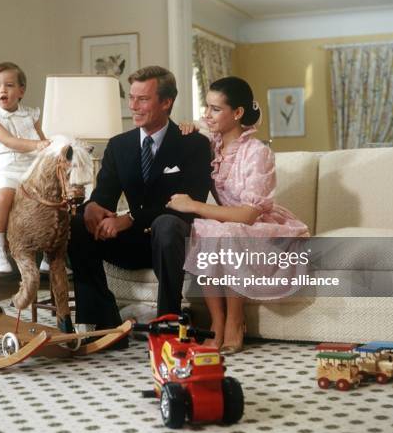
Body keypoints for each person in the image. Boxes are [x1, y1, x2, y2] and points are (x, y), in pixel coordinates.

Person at [67, 66, 212, 342]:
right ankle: (102, 323)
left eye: (142, 99)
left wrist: (130, 218)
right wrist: (94, 207)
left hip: (174, 242)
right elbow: (104, 197)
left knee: (168, 224)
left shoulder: (193, 144)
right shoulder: (119, 146)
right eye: (131, 98)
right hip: (133, 244)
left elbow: (190, 203)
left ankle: (167, 325)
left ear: (166, 102)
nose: (133, 106)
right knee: (77, 224)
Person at [167, 76, 309, 353]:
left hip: (257, 224)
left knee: (225, 230)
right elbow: (196, 131)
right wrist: (188, 126)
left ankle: (234, 319)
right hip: (225, 223)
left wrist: (194, 204)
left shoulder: (258, 153)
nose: (208, 115)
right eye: (206, 107)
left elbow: (247, 215)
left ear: (238, 113)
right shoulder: (211, 144)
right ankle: (216, 321)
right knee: (204, 229)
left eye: (216, 109)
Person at [0, 62, 50, 273]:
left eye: (9, 85)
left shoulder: (31, 114)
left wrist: (48, 146)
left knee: (51, 201)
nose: (3, 90)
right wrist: (37, 145)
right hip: (8, 170)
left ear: (21, 90)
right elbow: (9, 141)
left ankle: (49, 251)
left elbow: (42, 139)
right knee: (4, 197)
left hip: (32, 169)